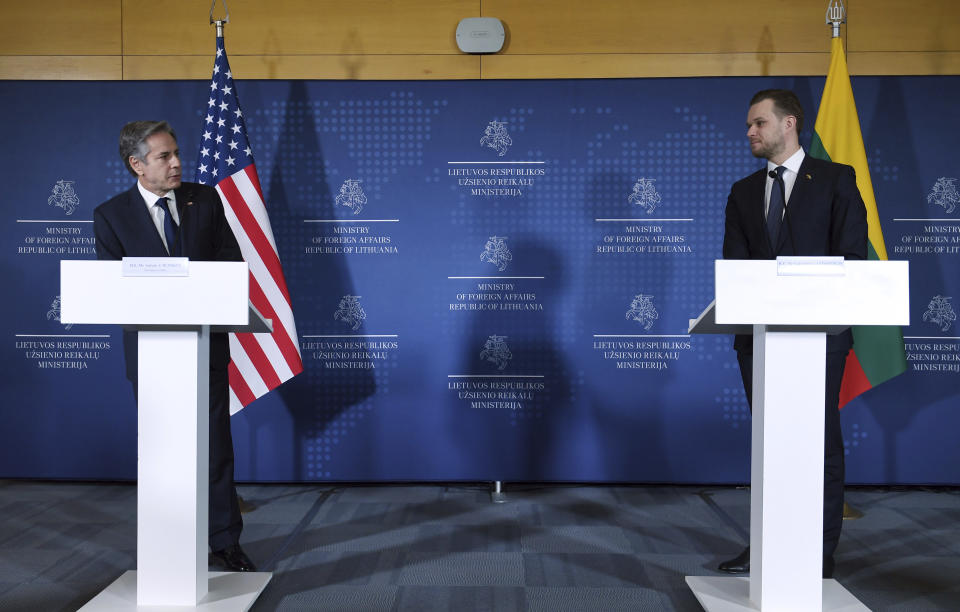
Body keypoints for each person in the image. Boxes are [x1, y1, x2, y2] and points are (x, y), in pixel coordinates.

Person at [93, 121, 255, 572]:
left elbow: (231, 265)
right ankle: (170, 541)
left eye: (176, 153)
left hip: (205, 349)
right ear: (137, 164)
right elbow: (113, 291)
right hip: (152, 355)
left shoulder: (204, 199)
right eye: (164, 157)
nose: (177, 162)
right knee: (163, 453)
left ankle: (225, 542)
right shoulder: (110, 215)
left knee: (215, 450)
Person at [719, 89, 867, 578]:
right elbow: (737, 273)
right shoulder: (742, 192)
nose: (750, 133)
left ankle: (819, 552)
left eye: (759, 123)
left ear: (790, 124)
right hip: (758, 340)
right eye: (748, 125)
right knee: (770, 446)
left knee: (819, 443)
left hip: (820, 340)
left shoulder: (835, 180)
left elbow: (852, 260)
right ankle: (767, 545)